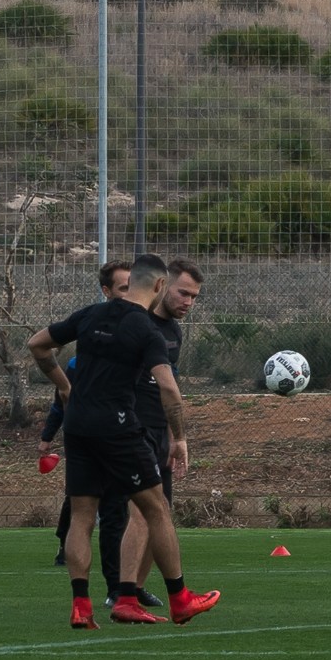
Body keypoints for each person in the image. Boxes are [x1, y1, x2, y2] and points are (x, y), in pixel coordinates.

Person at [28, 255, 218, 630]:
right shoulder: (145, 330)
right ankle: (181, 599)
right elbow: (169, 389)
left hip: (78, 426)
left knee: (83, 516)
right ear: (160, 286)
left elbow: (36, 344)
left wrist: (66, 388)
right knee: (156, 508)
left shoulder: (90, 315)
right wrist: (178, 437)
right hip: (118, 428)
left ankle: (82, 605)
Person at [97, 260, 202, 618]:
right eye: (183, 292)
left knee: (161, 514)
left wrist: (175, 436)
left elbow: (168, 387)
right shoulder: (136, 323)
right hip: (133, 430)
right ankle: (122, 593)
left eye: (194, 297)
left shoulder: (174, 332)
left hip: (160, 433)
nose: (188, 301)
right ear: (162, 285)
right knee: (142, 512)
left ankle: (136, 590)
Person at [42, 262, 130, 568]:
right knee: (82, 502)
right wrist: (46, 436)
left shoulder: (139, 334)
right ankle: (66, 551)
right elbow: (60, 399)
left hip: (118, 430)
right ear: (106, 292)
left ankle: (116, 582)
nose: (129, 294)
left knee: (117, 504)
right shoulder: (78, 363)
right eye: (122, 288)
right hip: (87, 433)